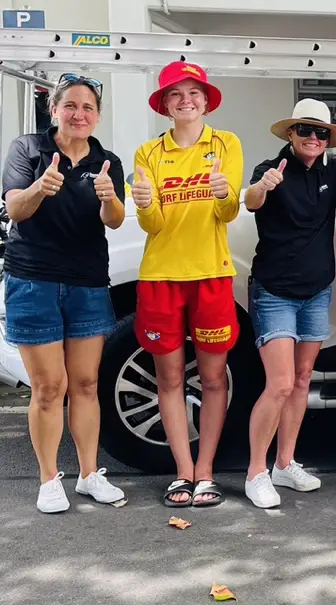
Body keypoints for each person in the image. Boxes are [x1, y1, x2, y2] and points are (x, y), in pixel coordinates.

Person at [241, 98, 336, 508]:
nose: (313, 138)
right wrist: (263, 187)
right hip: (274, 292)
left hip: (315, 293)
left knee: (303, 379)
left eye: (321, 132)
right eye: (305, 130)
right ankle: (255, 472)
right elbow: (250, 200)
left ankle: (285, 464)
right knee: (280, 383)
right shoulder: (271, 168)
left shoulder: (333, 169)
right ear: (291, 133)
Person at [0, 73, 127, 513]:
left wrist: (109, 198)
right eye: (70, 105)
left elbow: (114, 220)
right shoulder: (27, 150)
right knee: (49, 387)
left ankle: (90, 475)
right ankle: (49, 478)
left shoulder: (107, 161)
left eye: (88, 107)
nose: (79, 114)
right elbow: (15, 208)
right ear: (54, 110)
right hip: (33, 280)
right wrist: (41, 186)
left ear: (97, 116)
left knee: (87, 383)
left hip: (87, 283)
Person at [131, 61, 243, 508]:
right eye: (175, 94)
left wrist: (223, 193)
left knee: (213, 378)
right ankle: (182, 472)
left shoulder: (226, 143)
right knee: (170, 377)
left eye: (194, 92)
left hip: (211, 273)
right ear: (164, 104)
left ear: (205, 100)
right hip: (161, 275)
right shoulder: (148, 153)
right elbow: (153, 224)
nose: (186, 100)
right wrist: (144, 204)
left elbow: (228, 213)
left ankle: (206, 471)